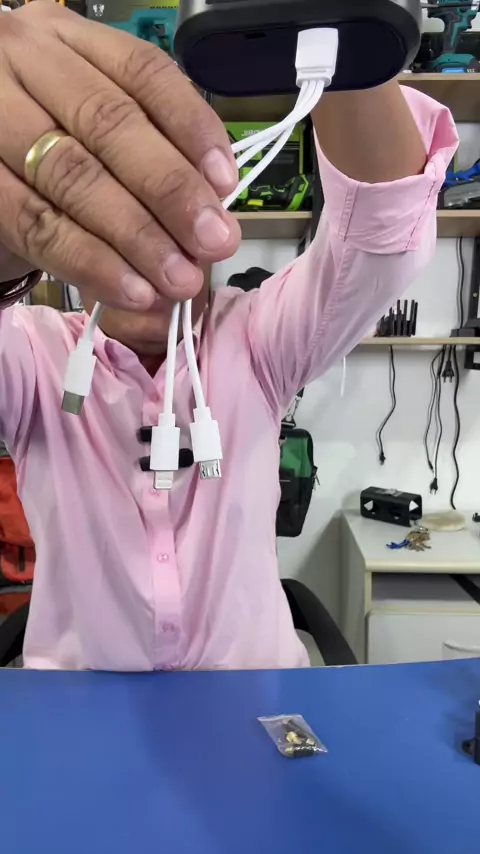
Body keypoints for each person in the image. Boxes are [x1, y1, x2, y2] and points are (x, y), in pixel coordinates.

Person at [0, 1, 457, 671]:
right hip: (78, 706)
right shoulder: (33, 355)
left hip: (256, 700)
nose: (152, 249)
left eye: (172, 208)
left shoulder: (259, 338)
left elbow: (379, 238)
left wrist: (342, 24)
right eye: (119, 217)